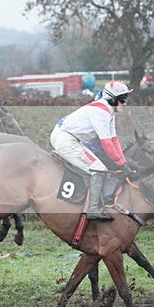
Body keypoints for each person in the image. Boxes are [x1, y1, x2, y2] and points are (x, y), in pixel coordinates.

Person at [50, 80, 134, 220]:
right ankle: (92, 209)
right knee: (98, 169)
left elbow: (114, 140)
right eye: (122, 99)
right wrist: (120, 164)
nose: (125, 103)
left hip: (72, 139)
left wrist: (124, 163)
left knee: (101, 167)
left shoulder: (109, 112)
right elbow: (106, 143)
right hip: (64, 139)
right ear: (112, 99)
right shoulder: (100, 111)